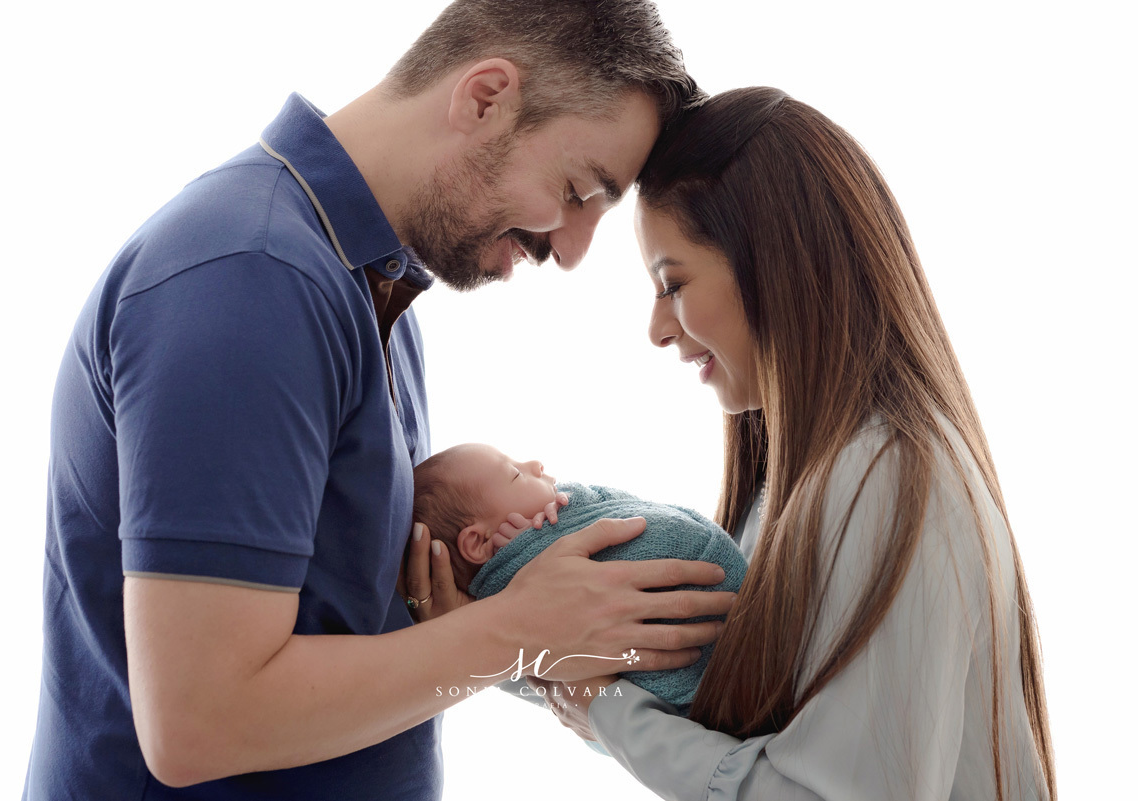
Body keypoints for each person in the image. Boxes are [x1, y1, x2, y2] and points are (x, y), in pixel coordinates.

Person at [22, 3, 740, 799]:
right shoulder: (251, 279)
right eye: (576, 191)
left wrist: (475, 627)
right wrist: (515, 632)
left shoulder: (364, 289)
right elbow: (200, 721)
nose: (570, 250)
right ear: (484, 96)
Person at [435, 88, 1059, 799]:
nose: (657, 329)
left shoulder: (887, 479)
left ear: (774, 263)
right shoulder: (804, 484)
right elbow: (734, 738)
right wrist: (512, 645)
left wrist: (604, 704)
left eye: (672, 285)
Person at [409, 443, 748, 710]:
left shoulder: (515, 611)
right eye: (515, 474)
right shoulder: (520, 597)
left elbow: (630, 510)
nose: (535, 464)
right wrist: (539, 541)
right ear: (479, 541)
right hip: (708, 651)